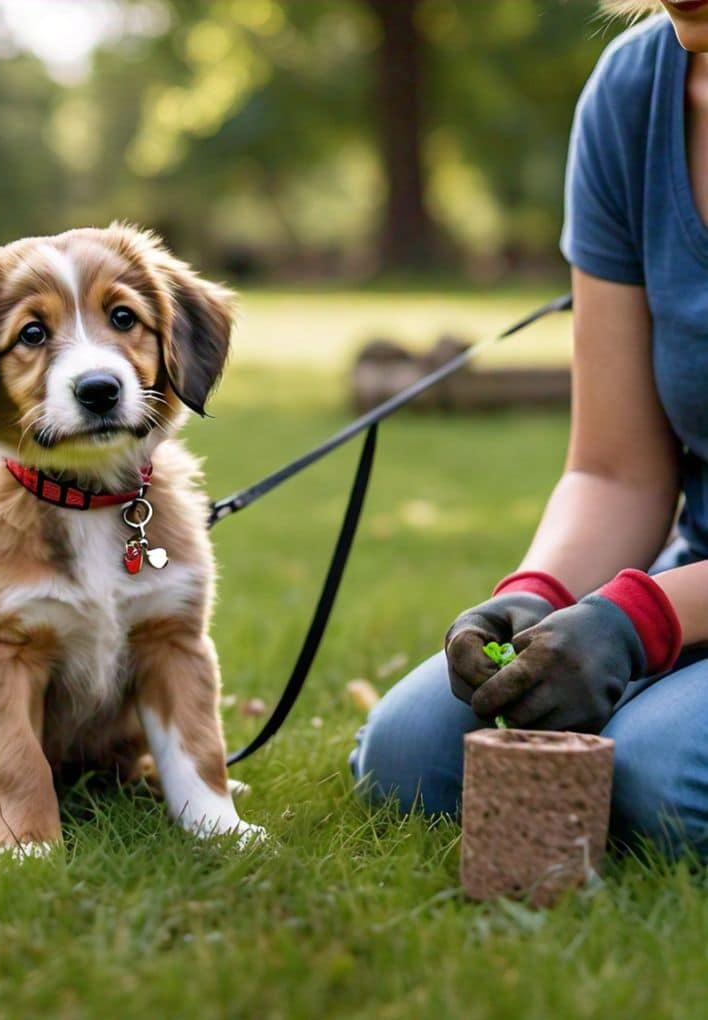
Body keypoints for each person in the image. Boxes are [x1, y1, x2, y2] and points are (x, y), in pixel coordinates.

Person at [350, 1, 708, 859]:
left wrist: (643, 621)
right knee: (416, 756)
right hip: (688, 582)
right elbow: (617, 472)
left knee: (656, 778)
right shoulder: (634, 89)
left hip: (674, 602)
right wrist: (538, 599)